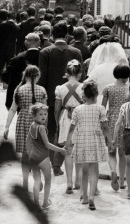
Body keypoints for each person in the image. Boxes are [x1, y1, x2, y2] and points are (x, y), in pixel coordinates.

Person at [38, 21, 82, 176]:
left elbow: (41, 78)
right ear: (67, 35)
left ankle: (53, 163)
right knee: (72, 133)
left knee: (52, 130)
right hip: (74, 102)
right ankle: (63, 162)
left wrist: (40, 99)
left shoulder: (45, 52)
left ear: (52, 34)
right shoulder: (76, 52)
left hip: (51, 97)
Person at [66, 79, 113, 210]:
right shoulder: (100, 108)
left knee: (84, 170)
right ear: (96, 95)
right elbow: (105, 127)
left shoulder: (77, 109)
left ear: (84, 96)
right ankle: (92, 195)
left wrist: (68, 141)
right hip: (95, 141)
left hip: (81, 141)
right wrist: (110, 141)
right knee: (94, 169)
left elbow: (71, 127)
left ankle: (85, 196)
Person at [3, 66, 47, 190]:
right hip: (38, 122)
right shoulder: (42, 90)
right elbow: (45, 110)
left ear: (25, 75)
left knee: (25, 154)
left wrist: (7, 127)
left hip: (23, 122)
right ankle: (38, 180)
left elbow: (12, 109)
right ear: (37, 76)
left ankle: (25, 183)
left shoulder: (19, 90)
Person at [27, 103, 67, 209]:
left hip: (33, 157)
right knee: (48, 180)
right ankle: (45, 203)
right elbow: (47, 144)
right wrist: (61, 149)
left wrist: (28, 155)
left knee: (36, 181)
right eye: (40, 114)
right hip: (43, 157)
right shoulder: (41, 128)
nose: (43, 116)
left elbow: (28, 142)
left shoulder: (32, 126)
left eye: (45, 114)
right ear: (34, 115)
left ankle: (35, 204)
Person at [54, 60, 83, 194]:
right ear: (80, 74)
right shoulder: (83, 87)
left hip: (66, 118)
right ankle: (78, 181)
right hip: (81, 118)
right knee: (79, 151)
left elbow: (56, 108)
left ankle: (69, 182)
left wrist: (57, 122)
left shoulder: (60, 88)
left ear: (67, 73)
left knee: (68, 151)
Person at [102, 64, 130, 191]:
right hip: (125, 120)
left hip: (111, 119)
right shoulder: (129, 89)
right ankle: (122, 181)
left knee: (111, 150)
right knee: (123, 152)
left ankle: (113, 170)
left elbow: (103, 107)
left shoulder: (108, 88)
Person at [3, 33, 41, 110]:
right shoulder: (45, 56)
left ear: (25, 43)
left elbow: (9, 79)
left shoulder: (16, 59)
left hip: (22, 98)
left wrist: (9, 101)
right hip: (41, 96)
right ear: (39, 42)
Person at [0, 9, 19, 83]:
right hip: (11, 49)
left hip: (2, 48)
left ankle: (3, 78)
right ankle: (8, 80)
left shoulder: (2, 25)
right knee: (9, 66)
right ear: (15, 18)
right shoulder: (17, 27)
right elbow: (18, 41)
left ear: (8, 17)